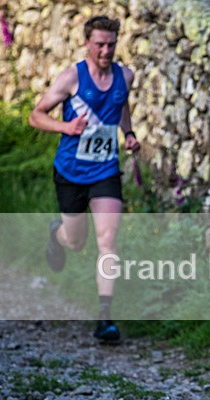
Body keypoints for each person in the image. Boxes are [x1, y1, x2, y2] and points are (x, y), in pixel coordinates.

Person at [29, 15, 140, 344]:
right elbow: (36, 115)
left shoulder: (126, 76)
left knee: (108, 240)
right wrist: (66, 127)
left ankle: (105, 317)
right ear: (87, 43)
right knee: (76, 242)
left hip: (106, 170)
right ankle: (56, 234)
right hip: (71, 172)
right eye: (99, 44)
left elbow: (122, 105)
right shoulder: (71, 79)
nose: (106, 50)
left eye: (111, 44)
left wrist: (129, 134)